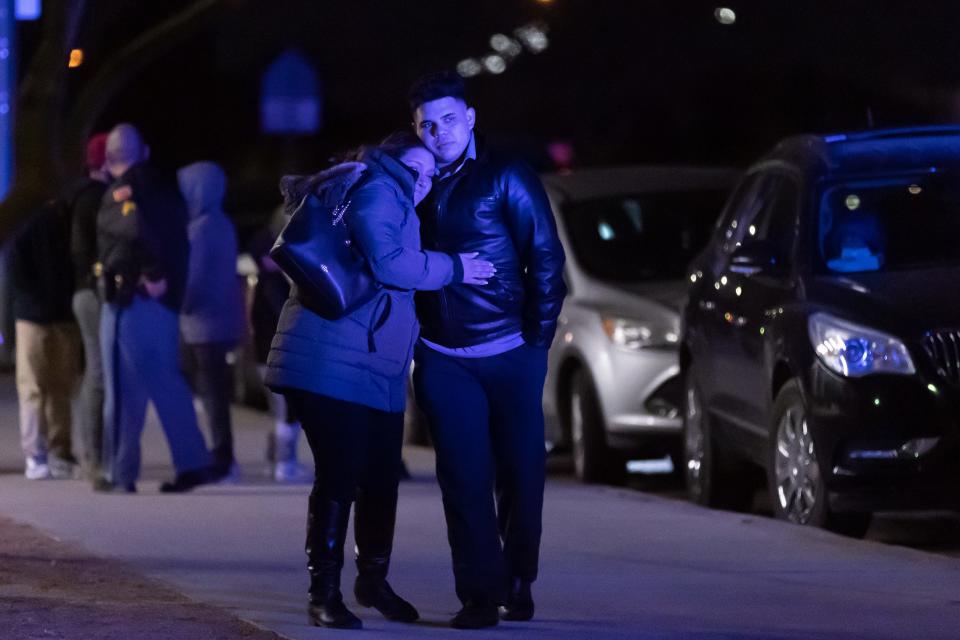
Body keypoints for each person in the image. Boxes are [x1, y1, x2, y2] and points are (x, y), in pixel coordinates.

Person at [265, 133, 495, 629]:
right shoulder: (376, 188)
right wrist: (458, 268)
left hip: (374, 364)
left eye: (432, 173)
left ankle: (373, 580)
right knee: (340, 477)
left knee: (380, 479)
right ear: (390, 162)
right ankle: (323, 592)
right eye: (416, 167)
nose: (424, 179)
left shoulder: (390, 195)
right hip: (331, 362)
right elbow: (390, 263)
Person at [408, 71, 567, 629]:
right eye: (428, 124)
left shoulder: (506, 175)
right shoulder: (413, 184)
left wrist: (537, 342)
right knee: (463, 478)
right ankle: (479, 593)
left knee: (523, 473)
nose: (439, 132)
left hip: (511, 351)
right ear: (416, 128)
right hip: (444, 356)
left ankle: (519, 578)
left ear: (470, 118)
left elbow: (545, 256)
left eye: (449, 119)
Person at [95, 123, 212, 493]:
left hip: (130, 300)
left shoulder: (121, 193)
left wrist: (150, 271)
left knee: (122, 392)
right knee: (166, 382)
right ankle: (192, 462)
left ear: (110, 157)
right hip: (164, 305)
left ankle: (120, 472)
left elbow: (131, 230)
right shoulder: (168, 191)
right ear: (144, 151)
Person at [178, 161, 246, 481]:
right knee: (212, 393)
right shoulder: (221, 223)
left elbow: (195, 276)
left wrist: (180, 304)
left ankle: (222, 458)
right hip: (216, 321)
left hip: (202, 324)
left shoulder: (201, 228)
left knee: (211, 394)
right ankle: (218, 455)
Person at [9, 195, 82, 480]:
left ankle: (37, 454)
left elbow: (14, 273)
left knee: (33, 387)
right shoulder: (66, 231)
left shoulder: (27, 229)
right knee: (59, 388)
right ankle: (57, 450)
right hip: (60, 316)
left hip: (31, 317)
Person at [248, 226, 310, 482]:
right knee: (288, 413)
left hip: (264, 355)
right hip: (278, 355)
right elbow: (283, 317)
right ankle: (285, 465)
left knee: (281, 411)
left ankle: (274, 462)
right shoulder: (273, 283)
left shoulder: (263, 281)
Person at [70, 133, 111, 481]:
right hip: (95, 292)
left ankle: (92, 450)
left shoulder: (78, 196)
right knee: (99, 373)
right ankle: (94, 455)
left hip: (82, 292)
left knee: (94, 372)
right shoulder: (98, 199)